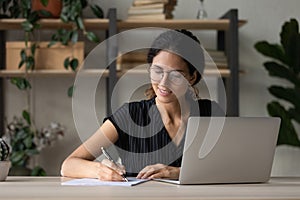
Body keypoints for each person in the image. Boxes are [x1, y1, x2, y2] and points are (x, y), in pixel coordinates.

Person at [61, 29, 224, 181]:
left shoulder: (210, 114)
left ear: (192, 77)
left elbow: (227, 168)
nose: (163, 82)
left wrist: (176, 172)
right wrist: (99, 170)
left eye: (175, 75)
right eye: (157, 71)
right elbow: (68, 165)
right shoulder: (130, 115)